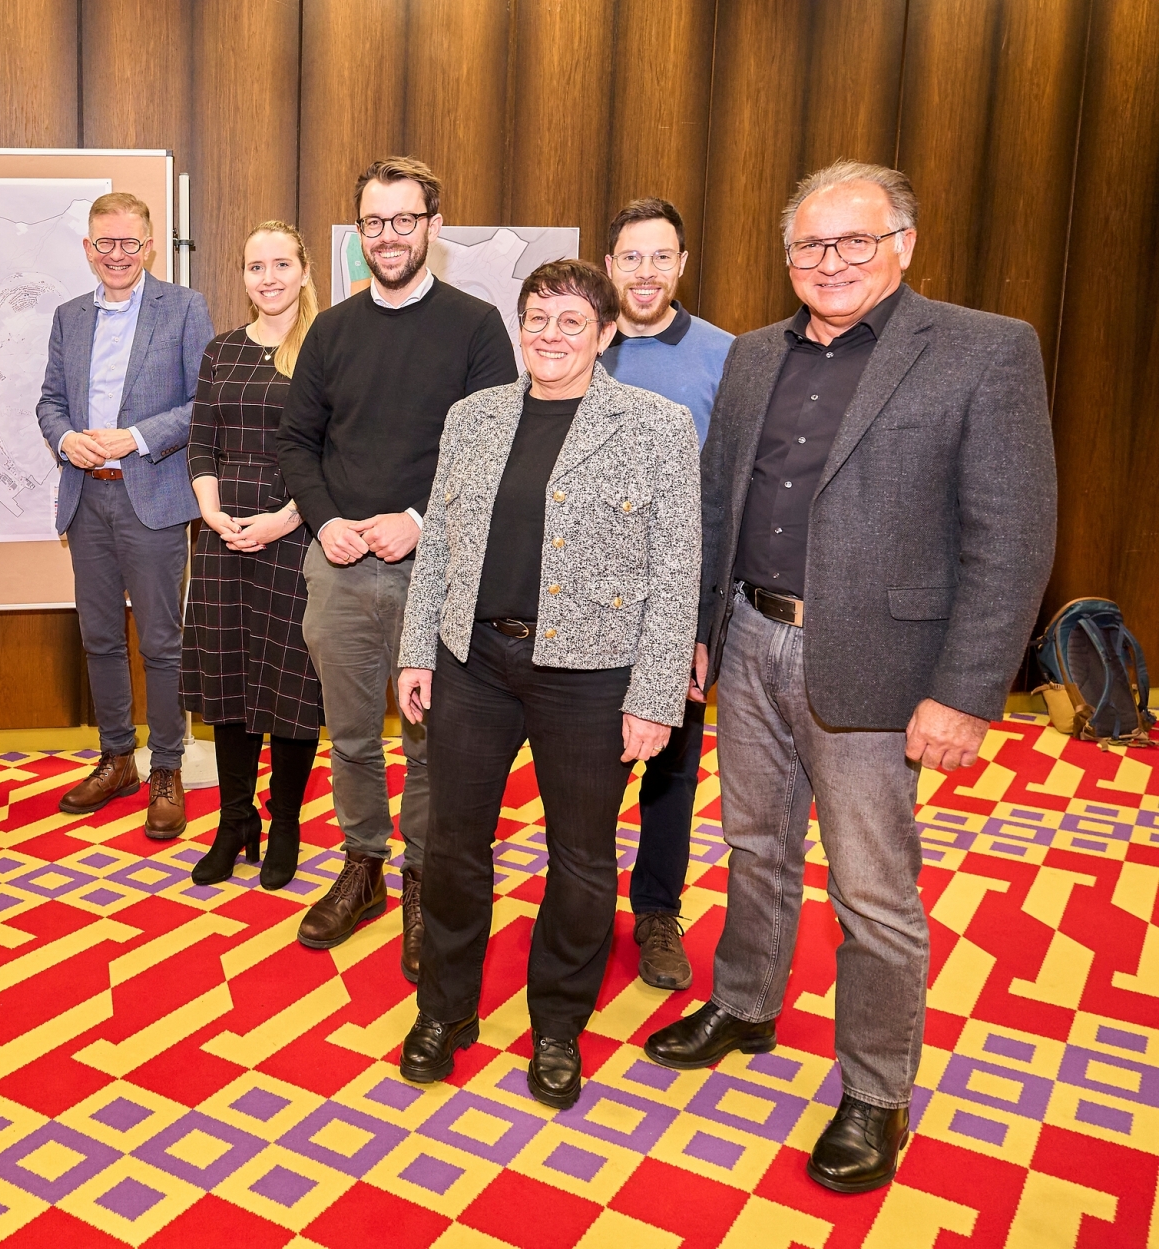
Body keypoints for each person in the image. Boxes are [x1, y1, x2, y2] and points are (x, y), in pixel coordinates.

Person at [642, 161, 1056, 1194]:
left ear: (903, 245)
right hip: (749, 640)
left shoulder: (982, 351)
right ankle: (745, 1004)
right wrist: (698, 633)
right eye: (809, 247)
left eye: (853, 243)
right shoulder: (750, 357)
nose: (828, 264)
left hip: (882, 667)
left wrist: (966, 693)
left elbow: (1011, 540)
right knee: (752, 845)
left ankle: (875, 1091)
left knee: (872, 892)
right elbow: (711, 508)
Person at [393, 260, 699, 1103]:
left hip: (592, 677)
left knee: (581, 857)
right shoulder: (474, 417)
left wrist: (654, 694)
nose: (550, 335)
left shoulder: (656, 427)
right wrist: (418, 647)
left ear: (605, 335)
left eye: (571, 321)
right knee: (454, 847)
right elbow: (442, 545)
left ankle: (558, 1024)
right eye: (536, 317)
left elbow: (678, 573)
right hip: (474, 663)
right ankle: (444, 1010)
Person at [276, 157, 518, 980]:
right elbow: (295, 444)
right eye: (373, 223)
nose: (388, 237)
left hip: (438, 571)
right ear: (358, 233)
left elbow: (491, 448)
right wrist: (328, 518)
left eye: (403, 220)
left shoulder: (478, 326)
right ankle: (363, 864)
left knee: (429, 741)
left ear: (433, 227)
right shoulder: (332, 332)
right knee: (350, 735)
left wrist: (417, 522)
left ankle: (422, 878)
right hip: (339, 566)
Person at [35, 192, 212, 838]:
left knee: (163, 642)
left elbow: (202, 403)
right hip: (87, 497)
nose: (116, 255)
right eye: (104, 244)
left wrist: (132, 437)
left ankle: (165, 764)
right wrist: (65, 440)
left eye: (128, 243)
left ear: (149, 247)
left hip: (155, 496)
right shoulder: (68, 317)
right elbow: (50, 401)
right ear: (88, 248)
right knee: (100, 635)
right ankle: (117, 758)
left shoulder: (185, 308)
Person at [597, 198, 733, 990]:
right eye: (630, 257)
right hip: (585, 609)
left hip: (678, 607)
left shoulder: (725, 355)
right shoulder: (578, 345)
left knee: (672, 771)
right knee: (585, 769)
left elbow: (725, 497)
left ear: (681, 264)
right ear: (609, 264)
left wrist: (700, 618)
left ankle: (656, 911)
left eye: (661, 257)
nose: (644, 272)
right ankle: (578, 900)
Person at [181, 222, 325, 890]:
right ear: (242, 276)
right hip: (222, 536)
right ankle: (234, 821)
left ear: (303, 268)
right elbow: (202, 442)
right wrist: (212, 514)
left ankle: (286, 821)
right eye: (254, 266)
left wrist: (284, 518)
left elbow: (334, 451)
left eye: (280, 264)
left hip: (295, 532)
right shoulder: (222, 351)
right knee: (231, 681)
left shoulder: (325, 350)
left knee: (291, 687)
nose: (267, 278)